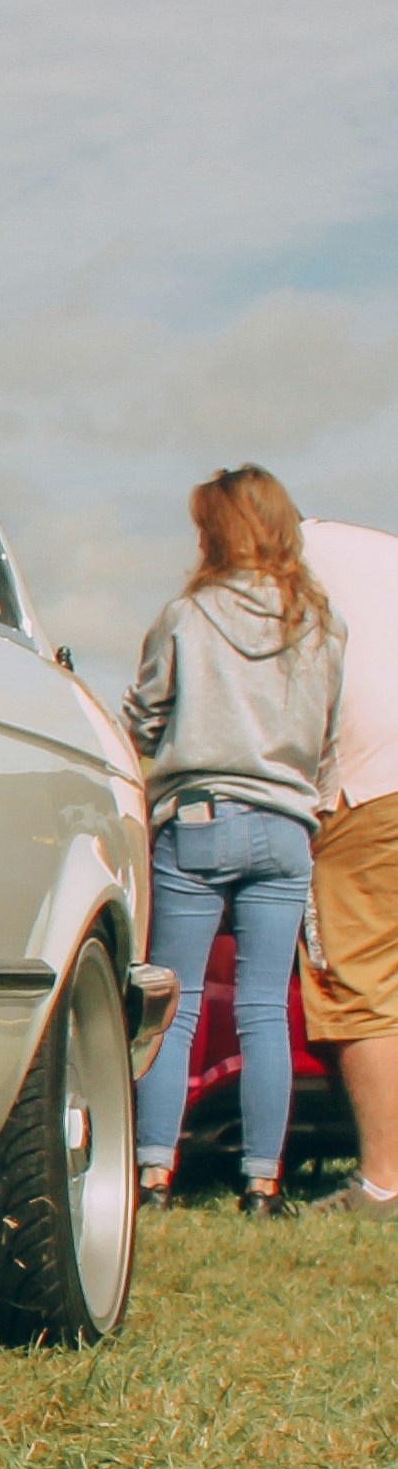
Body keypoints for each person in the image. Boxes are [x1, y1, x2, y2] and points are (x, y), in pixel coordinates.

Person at [128, 466, 344, 1216]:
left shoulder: (184, 617)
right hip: (285, 825)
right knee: (260, 1007)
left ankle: (152, 1173)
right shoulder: (319, 624)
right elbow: (326, 735)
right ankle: (261, 1182)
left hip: (196, 819)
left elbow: (144, 717)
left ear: (212, 533)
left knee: (173, 1007)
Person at [300, 492, 398, 1218]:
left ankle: (383, 1182)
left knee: (356, 977)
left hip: (366, 786)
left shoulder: (281, 567)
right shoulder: (378, 554)